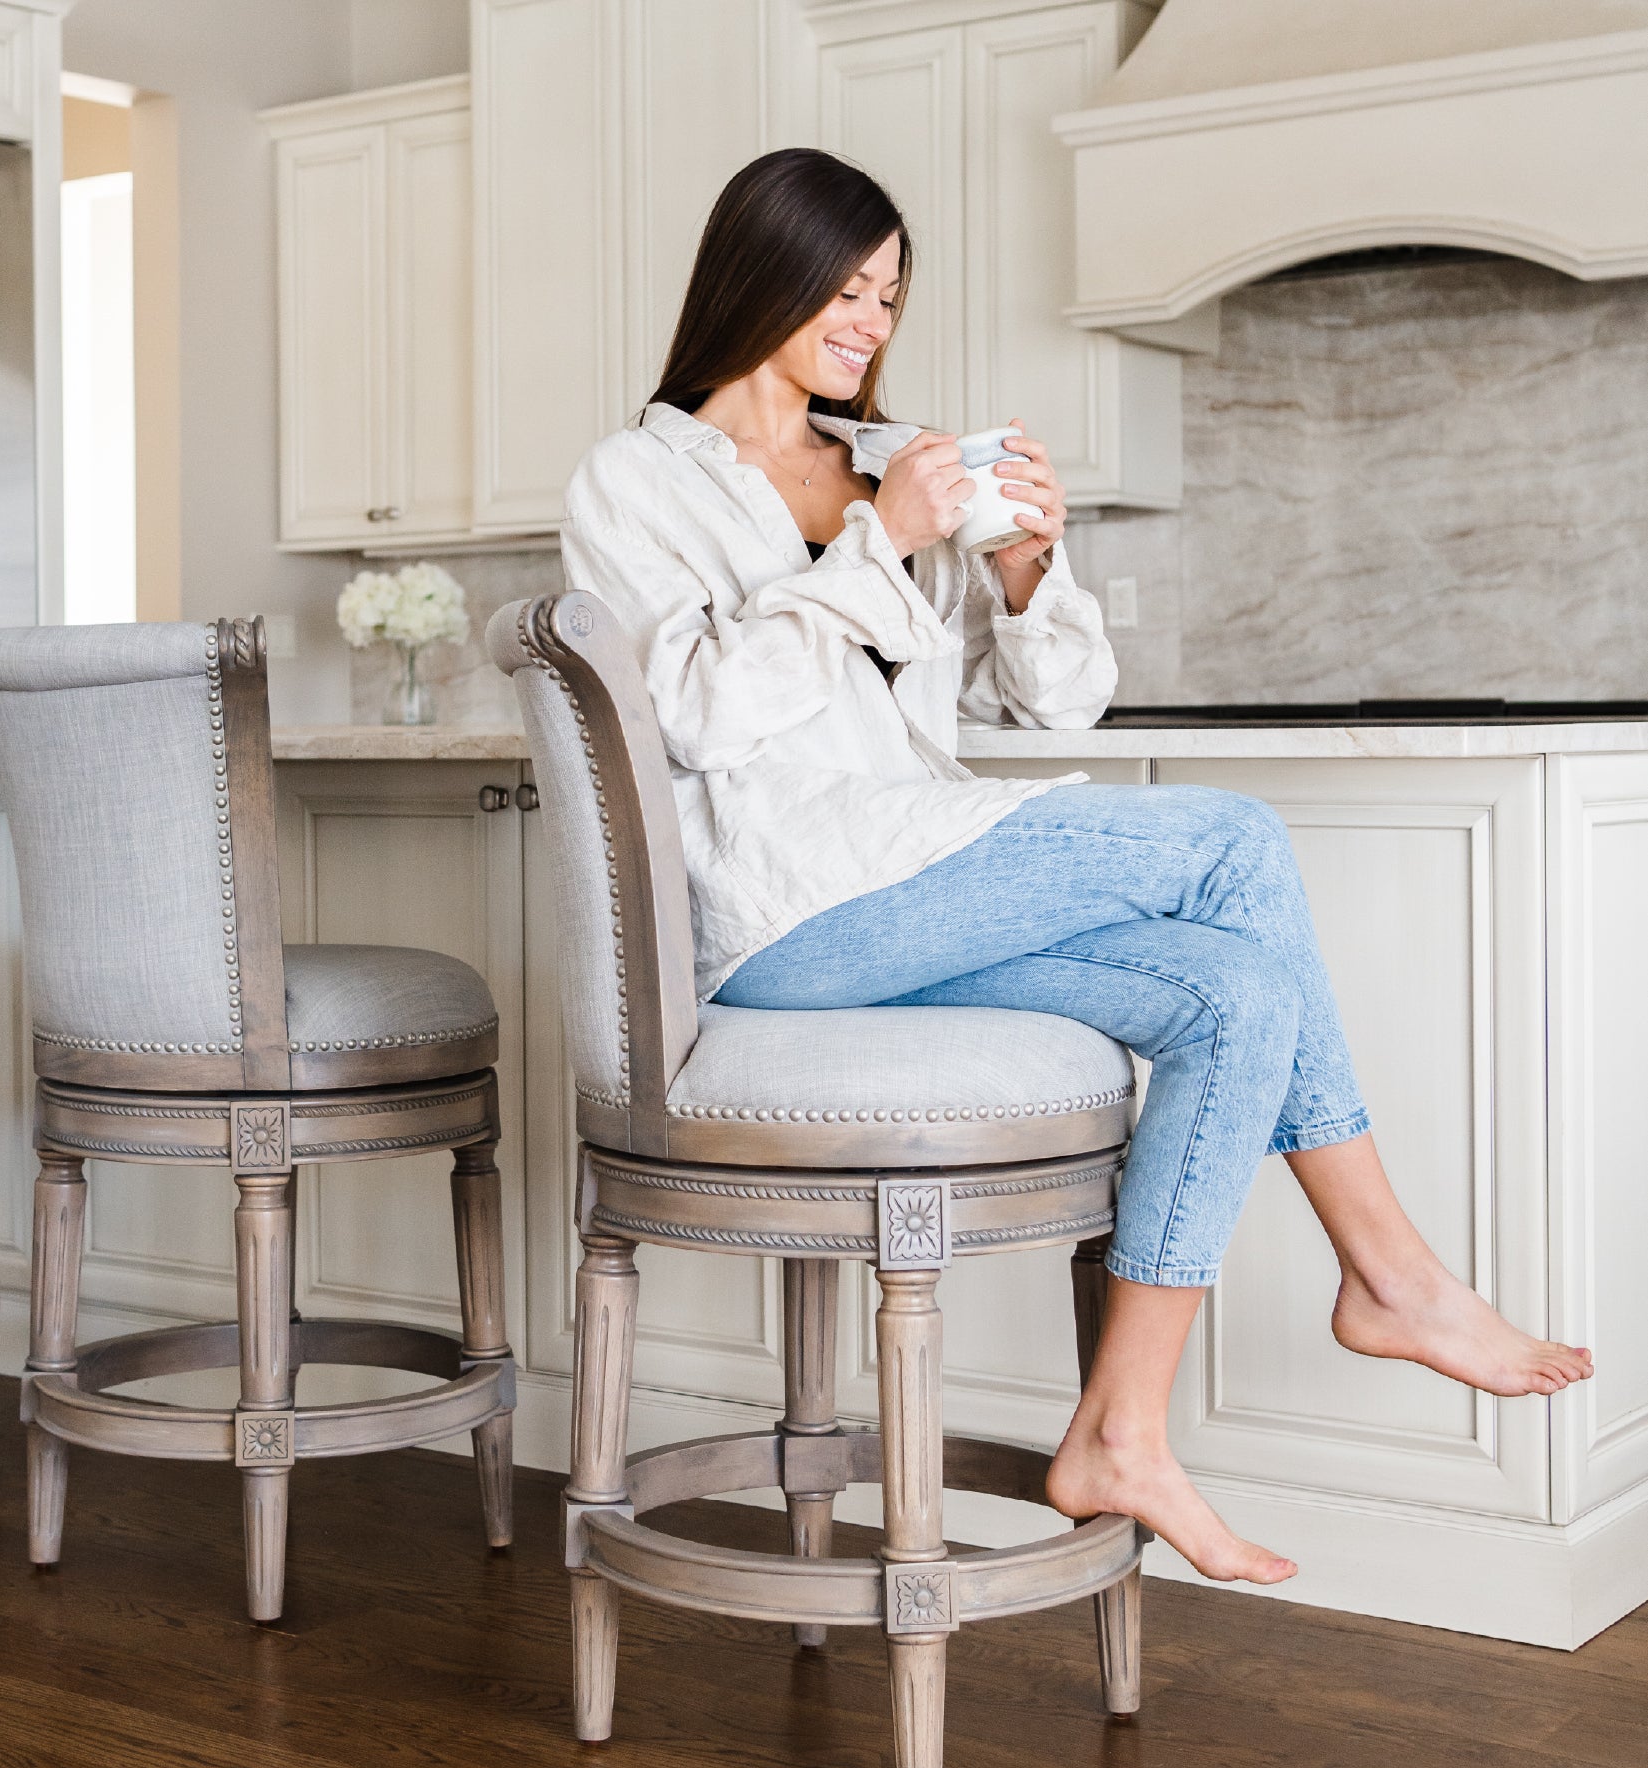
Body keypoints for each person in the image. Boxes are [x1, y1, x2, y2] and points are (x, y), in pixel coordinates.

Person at [559, 147, 1592, 1587]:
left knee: (1233, 994)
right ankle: (1397, 1278)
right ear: (763, 278)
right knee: (1231, 839)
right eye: (843, 289)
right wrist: (882, 542)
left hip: (914, 880)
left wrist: (1027, 569)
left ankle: (1119, 1430)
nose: (866, 320)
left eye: (886, 296)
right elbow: (694, 710)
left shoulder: (881, 458)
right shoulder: (634, 481)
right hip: (785, 913)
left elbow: (1046, 707)